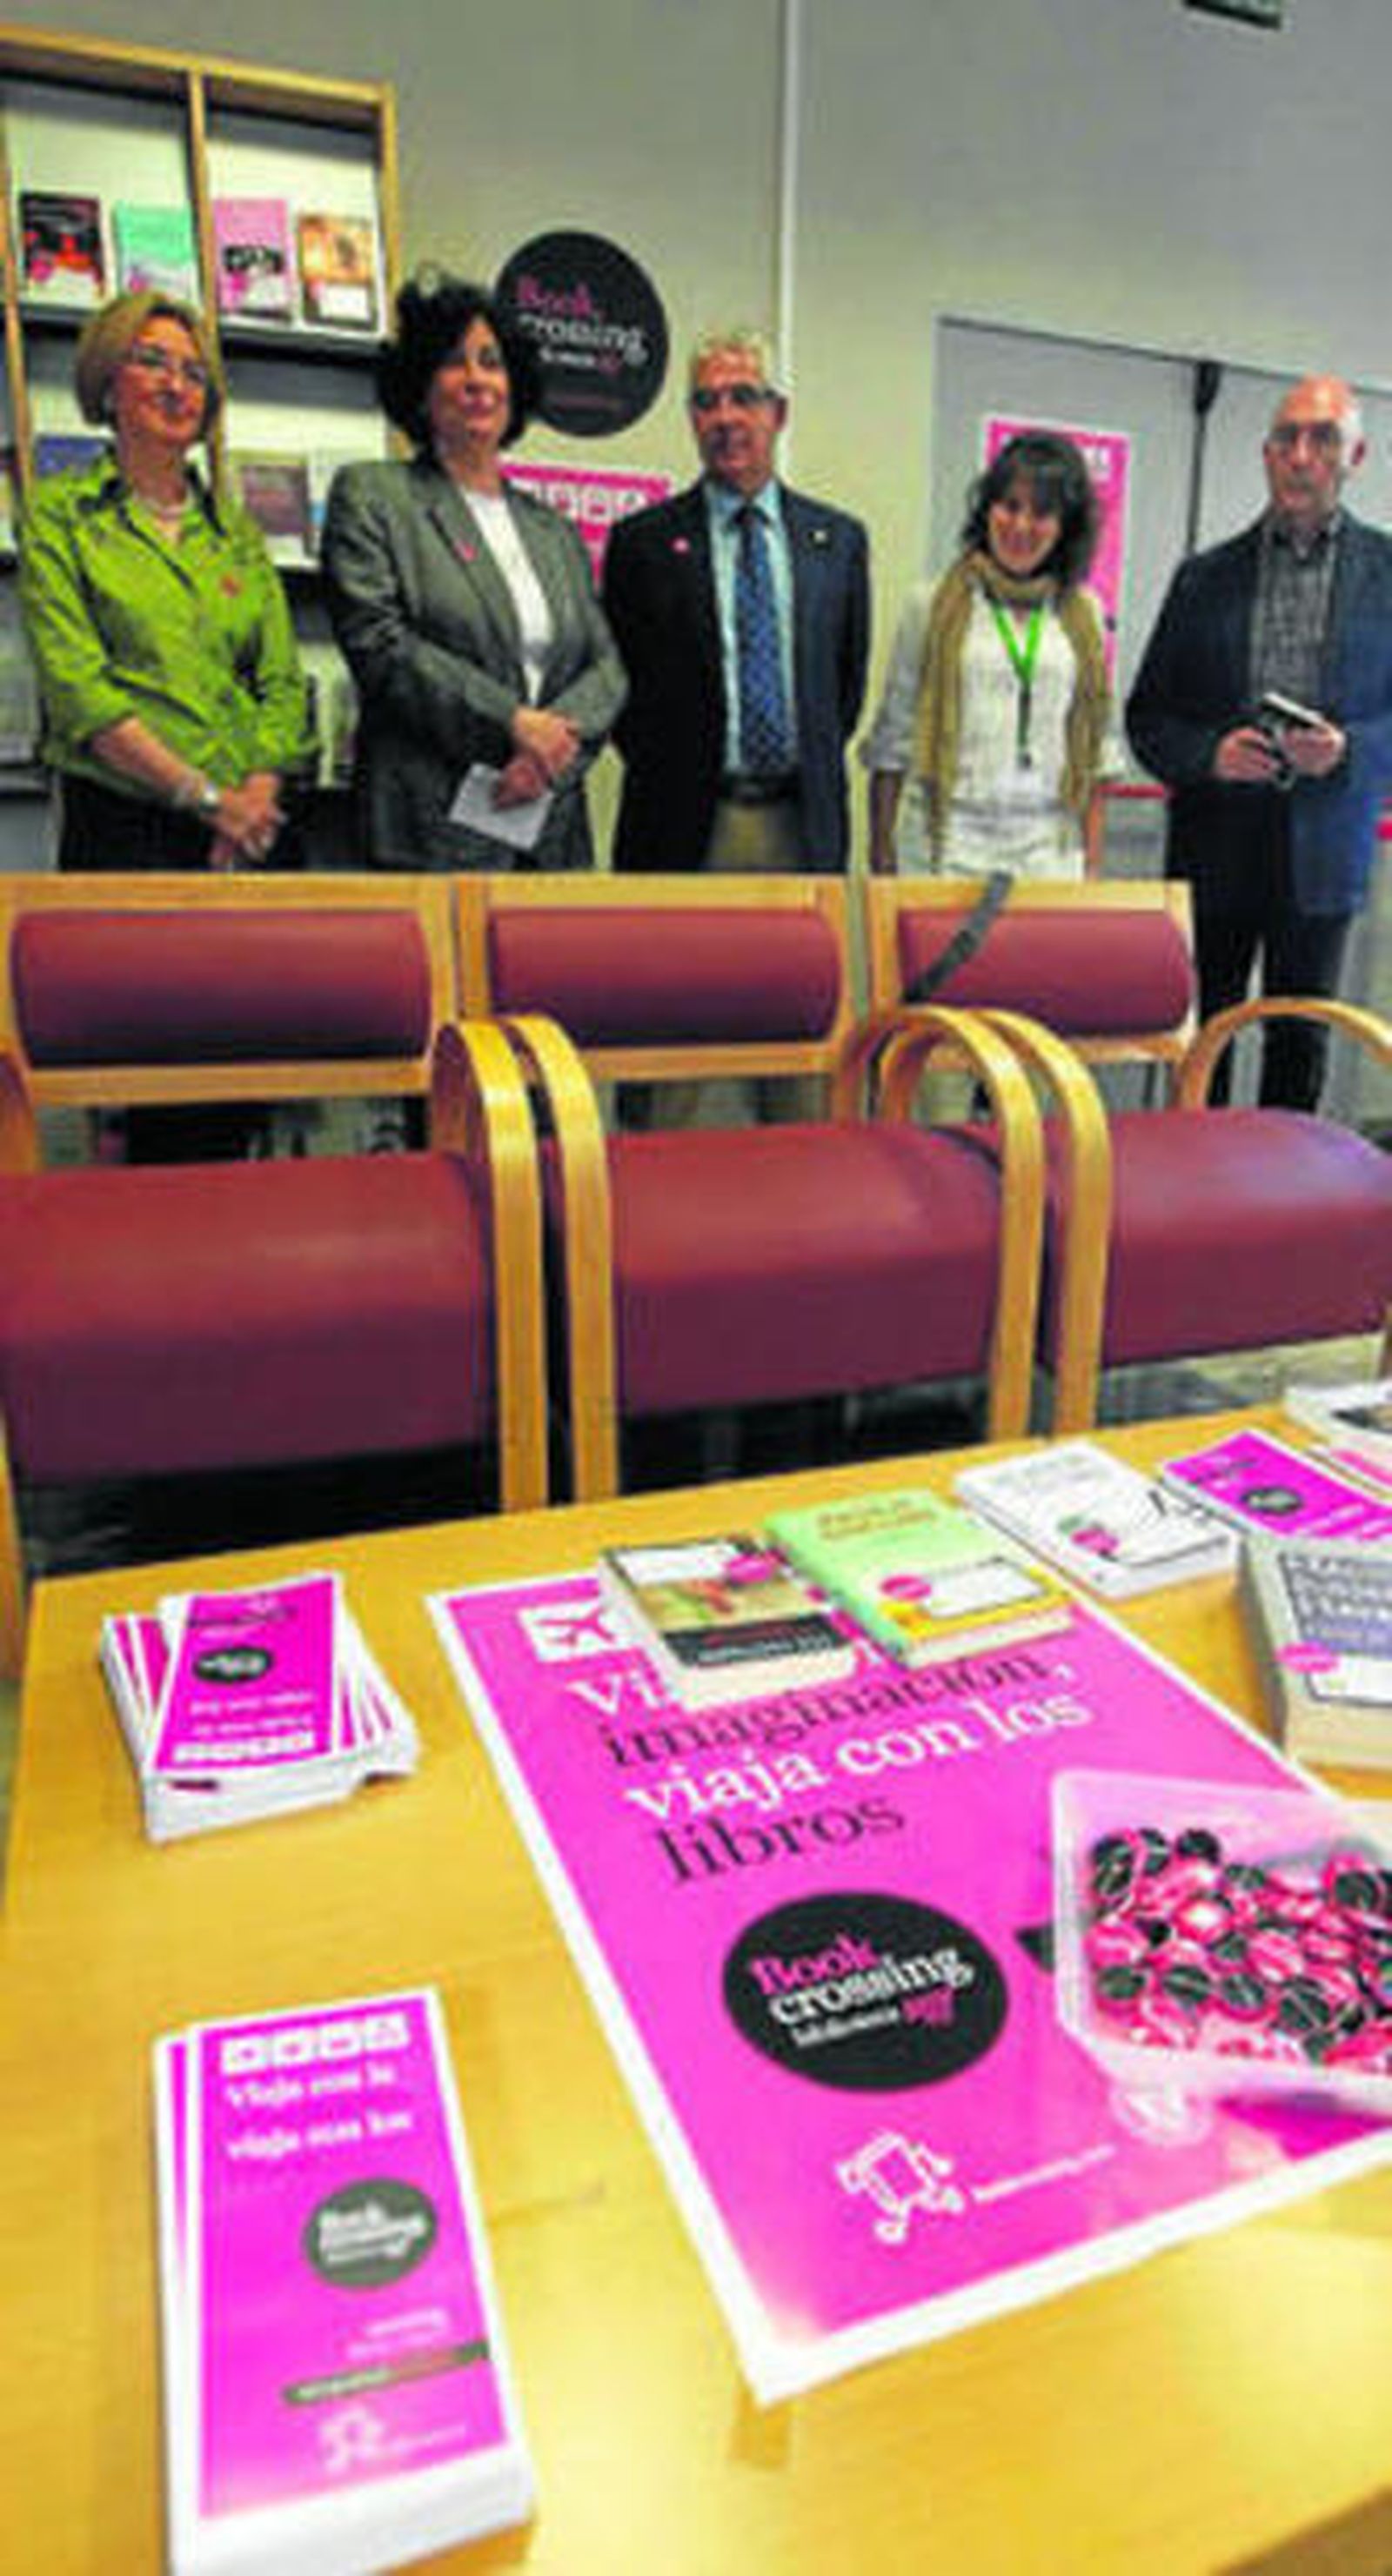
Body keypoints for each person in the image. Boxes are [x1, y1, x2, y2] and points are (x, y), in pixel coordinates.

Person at [1127, 373, 1392, 1111]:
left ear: (1355, 456)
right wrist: (1209, 755)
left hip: (1323, 850)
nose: (1301, 456)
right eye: (1286, 438)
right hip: (1214, 842)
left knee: (1299, 1039)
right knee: (1201, 1035)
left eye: (1323, 439)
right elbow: (1149, 717)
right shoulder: (1203, 578)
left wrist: (1350, 749)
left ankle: (1286, 1174)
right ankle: (1192, 1169)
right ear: (1267, 454)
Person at [322, 272, 626, 871]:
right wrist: (512, 724)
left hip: (550, 834)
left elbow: (606, 669)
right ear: (420, 386)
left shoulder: (553, 530)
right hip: (430, 832)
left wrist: (546, 757)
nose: (477, 380)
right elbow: (380, 645)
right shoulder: (375, 497)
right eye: (454, 362)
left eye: (492, 362)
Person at [18, 288, 309, 873]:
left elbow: (282, 683)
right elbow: (80, 692)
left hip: (255, 829)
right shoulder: (60, 516)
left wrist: (252, 803)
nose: (176, 386)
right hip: (126, 825)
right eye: (152, 361)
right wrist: (206, 799)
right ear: (107, 382)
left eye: (194, 373)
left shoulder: (236, 533)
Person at [601, 326, 870, 878]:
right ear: (691, 419)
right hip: (681, 826)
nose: (725, 418)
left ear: (779, 413)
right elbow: (621, 693)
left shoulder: (839, 542)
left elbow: (844, 690)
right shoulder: (642, 543)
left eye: (744, 397)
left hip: (803, 824)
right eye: (707, 402)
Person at [864, 432, 1112, 880]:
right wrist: (881, 852)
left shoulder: (1085, 613)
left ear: (1065, 527)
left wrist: (1091, 866)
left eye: (1041, 513)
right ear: (986, 509)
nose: (1020, 526)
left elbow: (1095, 751)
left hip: (1049, 849)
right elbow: (892, 740)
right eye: (1009, 506)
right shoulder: (932, 604)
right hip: (945, 844)